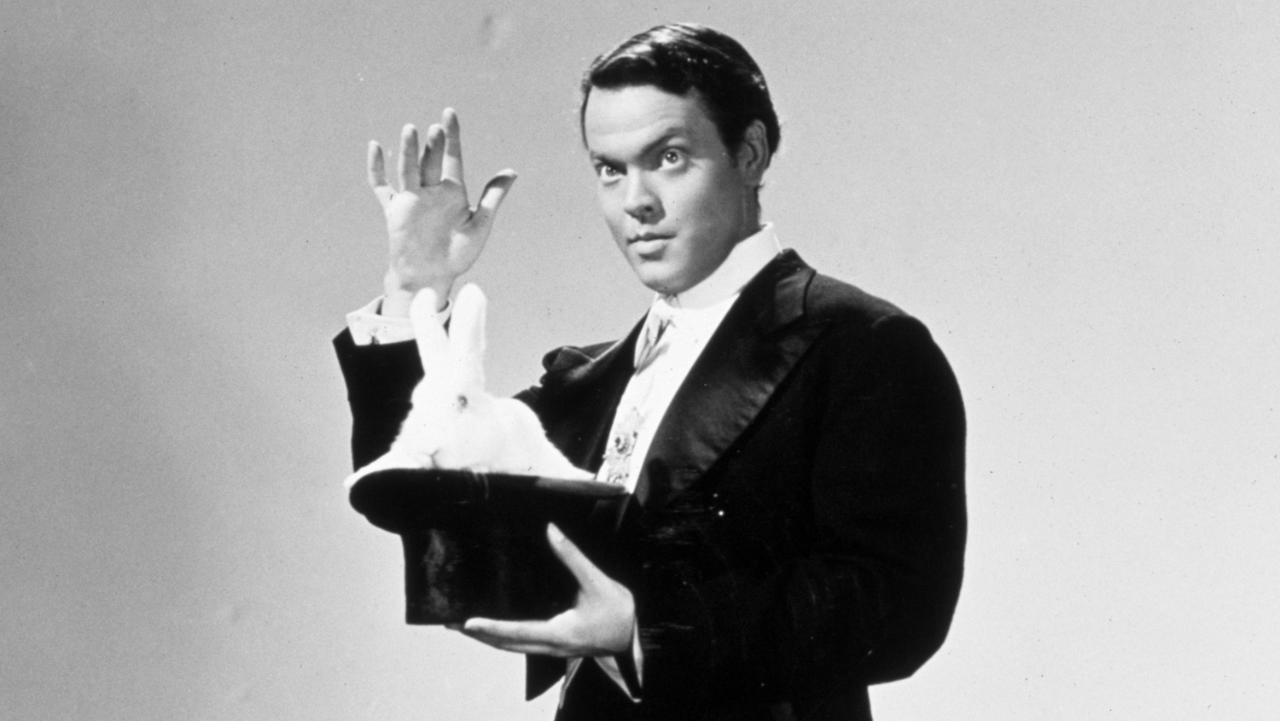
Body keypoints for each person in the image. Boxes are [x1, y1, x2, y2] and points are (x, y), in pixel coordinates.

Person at [334, 22, 966, 721]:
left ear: (750, 152)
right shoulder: (589, 380)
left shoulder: (864, 344)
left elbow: (901, 604)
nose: (636, 201)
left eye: (668, 157)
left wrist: (646, 628)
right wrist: (413, 286)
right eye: (610, 169)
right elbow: (415, 490)